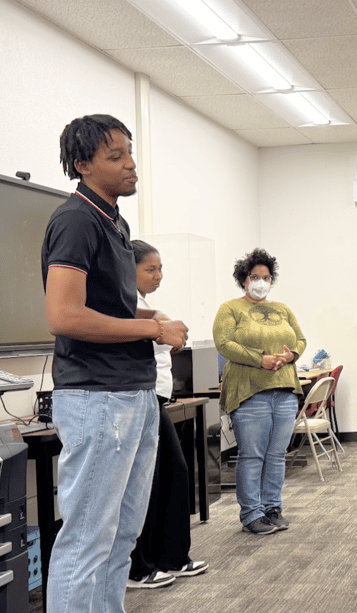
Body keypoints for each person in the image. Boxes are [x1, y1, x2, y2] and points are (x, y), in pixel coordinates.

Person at [43, 114, 188, 613]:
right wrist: (150, 330)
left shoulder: (114, 222)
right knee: (85, 540)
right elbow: (64, 315)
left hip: (132, 393)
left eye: (130, 153)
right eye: (115, 156)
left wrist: (150, 317)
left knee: (120, 534)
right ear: (83, 164)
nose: (130, 164)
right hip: (98, 399)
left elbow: (110, 307)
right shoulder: (75, 220)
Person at [126, 240, 209, 589]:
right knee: (149, 482)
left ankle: (173, 557)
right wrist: (160, 323)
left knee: (174, 474)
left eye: (160, 269)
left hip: (157, 399)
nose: (158, 275)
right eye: (150, 269)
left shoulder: (146, 306)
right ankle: (138, 567)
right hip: (140, 399)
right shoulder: (124, 305)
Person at [213, 248, 306, 535]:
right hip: (249, 391)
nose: (260, 282)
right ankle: (252, 513)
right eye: (255, 277)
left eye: (266, 278)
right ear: (243, 279)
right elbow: (223, 343)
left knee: (277, 454)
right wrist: (259, 359)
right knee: (252, 456)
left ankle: (272, 508)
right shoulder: (230, 308)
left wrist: (291, 356)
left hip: (285, 390)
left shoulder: (282, 309)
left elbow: (300, 340)